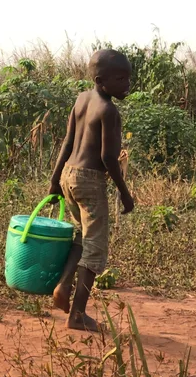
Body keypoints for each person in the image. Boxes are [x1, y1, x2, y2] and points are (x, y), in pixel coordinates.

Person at [48, 49, 135, 332]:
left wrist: (54, 178)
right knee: (95, 249)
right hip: (90, 180)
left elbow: (67, 141)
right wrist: (124, 190)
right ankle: (77, 315)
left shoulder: (81, 99)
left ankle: (63, 287)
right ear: (101, 80)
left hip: (69, 175)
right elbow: (109, 157)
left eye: (129, 78)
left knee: (80, 238)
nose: (128, 84)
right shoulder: (109, 111)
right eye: (121, 78)